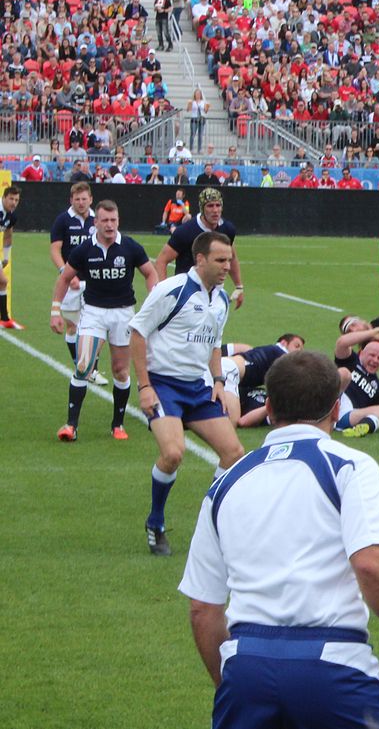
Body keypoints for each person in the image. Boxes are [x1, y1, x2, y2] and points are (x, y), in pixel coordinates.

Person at [178, 350, 379, 727]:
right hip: (333, 664)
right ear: (334, 408)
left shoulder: (225, 483)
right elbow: (370, 562)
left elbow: (203, 608)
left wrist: (234, 685)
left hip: (245, 667)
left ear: (270, 406)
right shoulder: (349, 466)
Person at [130, 232, 246, 555]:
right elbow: (137, 332)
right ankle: (155, 523)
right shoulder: (172, 290)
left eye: (229, 260)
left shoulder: (220, 299)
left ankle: (210, 523)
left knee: (234, 453)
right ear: (200, 260)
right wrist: (145, 387)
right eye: (220, 260)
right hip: (163, 385)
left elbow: (213, 343)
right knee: (173, 454)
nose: (227, 267)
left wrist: (219, 382)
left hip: (198, 387)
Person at [50, 200, 158, 441]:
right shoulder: (84, 250)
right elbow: (64, 278)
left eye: (113, 220)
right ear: (95, 222)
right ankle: (71, 426)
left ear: (118, 221)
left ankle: (117, 425)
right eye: (105, 221)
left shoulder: (130, 247)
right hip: (93, 312)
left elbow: (150, 272)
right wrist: (55, 310)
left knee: (120, 371)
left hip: (123, 313)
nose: (109, 225)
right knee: (83, 365)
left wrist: (153, 300)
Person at [49, 182, 105, 380]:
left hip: (93, 282)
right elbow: (55, 249)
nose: (81, 203)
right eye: (77, 199)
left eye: (84, 199)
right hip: (71, 283)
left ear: (91, 199)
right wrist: (66, 272)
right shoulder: (63, 220)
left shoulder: (97, 220)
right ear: (71, 200)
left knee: (94, 326)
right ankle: (79, 364)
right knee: (73, 326)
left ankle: (92, 369)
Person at [154, 188, 245, 309]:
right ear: (202, 208)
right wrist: (164, 294)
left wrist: (239, 286)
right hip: (187, 294)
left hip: (214, 293)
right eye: (210, 206)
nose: (215, 210)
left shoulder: (227, 229)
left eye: (218, 205)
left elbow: (231, 257)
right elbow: (161, 260)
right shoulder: (185, 231)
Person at [0, 186, 20, 329]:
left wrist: (6, 258)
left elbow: (7, 235)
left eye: (16, 200)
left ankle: (5, 319)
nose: (14, 202)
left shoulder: (12, 216)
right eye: (11, 199)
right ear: (4, 197)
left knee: (2, 281)